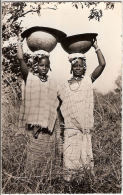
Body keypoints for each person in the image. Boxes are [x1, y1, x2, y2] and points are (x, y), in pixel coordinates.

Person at [58, 40, 106, 182]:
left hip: (85, 130)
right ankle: (69, 186)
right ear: (71, 68)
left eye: (81, 66)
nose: (78, 68)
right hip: (71, 130)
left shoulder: (88, 81)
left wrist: (96, 47)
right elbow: (57, 104)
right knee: (70, 163)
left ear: (84, 68)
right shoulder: (64, 86)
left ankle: (85, 185)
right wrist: (61, 122)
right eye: (75, 66)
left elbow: (102, 65)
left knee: (85, 163)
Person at [17, 35, 59, 178]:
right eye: (41, 65)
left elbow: (56, 103)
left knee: (47, 165)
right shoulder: (30, 79)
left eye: (47, 66)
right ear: (36, 65)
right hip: (33, 130)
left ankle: (45, 185)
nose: (44, 68)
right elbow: (21, 60)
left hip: (47, 130)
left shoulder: (53, 83)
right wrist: (19, 43)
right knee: (32, 164)